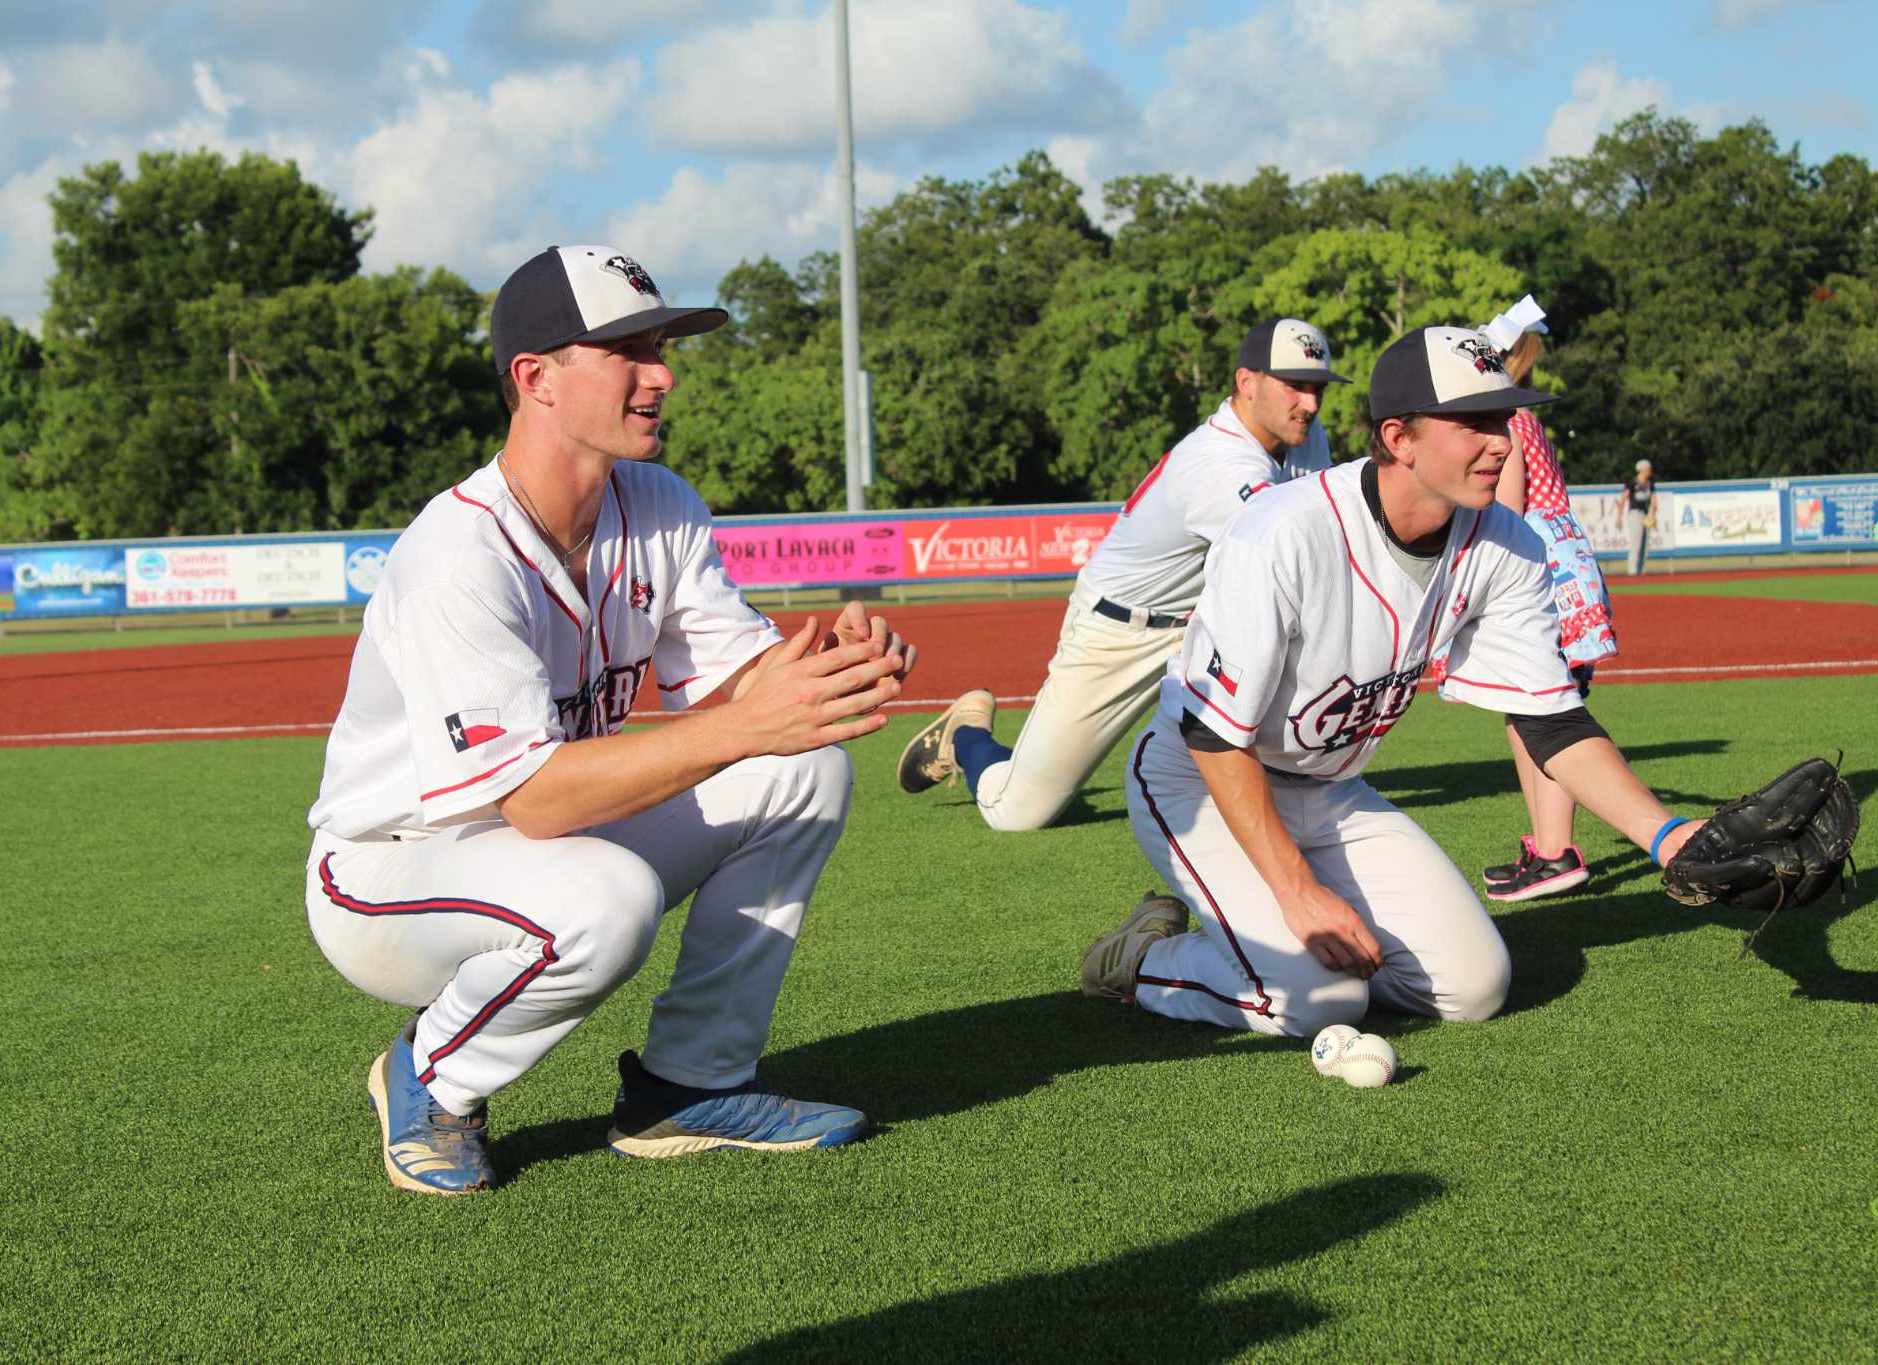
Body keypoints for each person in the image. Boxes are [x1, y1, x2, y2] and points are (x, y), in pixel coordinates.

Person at [303, 244, 918, 1195]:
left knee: (806, 773)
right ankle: (432, 1074)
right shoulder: (457, 554)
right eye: (627, 350)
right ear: (536, 377)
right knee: (607, 899)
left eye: (660, 346)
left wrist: (833, 664)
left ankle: (688, 1084)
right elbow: (540, 803)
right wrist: (753, 724)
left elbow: (742, 679)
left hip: (537, 836)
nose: (662, 373)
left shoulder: (659, 502)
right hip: (390, 871)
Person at [1080, 323, 1711, 1039]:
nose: (1500, 440)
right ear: (1400, 438)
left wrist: (1669, 837)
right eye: (1472, 421)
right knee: (1315, 1000)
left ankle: (1289, 952)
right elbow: (1212, 734)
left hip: (1329, 788)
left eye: (1502, 417)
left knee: (1477, 986)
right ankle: (1145, 958)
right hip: (1198, 781)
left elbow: (1551, 722)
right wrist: (1297, 892)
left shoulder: (1506, 544)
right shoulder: (1282, 531)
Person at [896, 319, 1344, 830]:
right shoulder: (1218, 464)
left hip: (1201, 627)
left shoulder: (1304, 436)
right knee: (1017, 811)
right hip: (1121, 633)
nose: (1310, 402)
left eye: (1317, 388)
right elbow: (1298, 555)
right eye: (1295, 385)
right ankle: (966, 737)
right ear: (1247, 383)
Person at [1473, 299, 1619, 901]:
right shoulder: (1522, 415)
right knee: (1527, 707)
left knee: (1543, 710)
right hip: (1557, 566)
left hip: (1540, 575)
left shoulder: (1506, 418)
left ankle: (1558, 854)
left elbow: (1504, 511)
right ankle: (1547, 847)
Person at [1619, 458, 1657, 574]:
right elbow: (1623, 499)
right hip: (1635, 514)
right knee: (1636, 543)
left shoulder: (1650, 484)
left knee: (1644, 546)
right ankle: (1632, 572)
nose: (1650, 471)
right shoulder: (1632, 483)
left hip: (1645, 515)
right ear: (1642, 470)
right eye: (1648, 469)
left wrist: (1652, 515)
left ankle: (1641, 572)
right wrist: (1619, 516)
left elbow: (1654, 500)